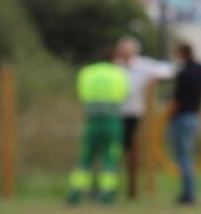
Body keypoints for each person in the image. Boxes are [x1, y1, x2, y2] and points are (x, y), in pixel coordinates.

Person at [67, 48, 129, 205]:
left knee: (85, 159)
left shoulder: (87, 72)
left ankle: (75, 194)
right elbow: (125, 94)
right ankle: (106, 195)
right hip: (111, 121)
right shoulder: (118, 73)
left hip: (92, 121)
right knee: (110, 159)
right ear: (113, 59)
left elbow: (81, 93)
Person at [115, 36, 174, 198]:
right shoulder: (115, 67)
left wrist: (156, 79)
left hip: (134, 113)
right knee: (116, 149)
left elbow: (167, 69)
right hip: (116, 113)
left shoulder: (142, 65)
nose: (125, 53)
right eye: (123, 50)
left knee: (130, 148)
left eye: (129, 50)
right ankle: (114, 185)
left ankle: (132, 186)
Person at [169, 42, 201, 205]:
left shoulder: (183, 73)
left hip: (181, 116)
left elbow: (176, 98)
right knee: (188, 155)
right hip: (195, 116)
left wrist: (168, 115)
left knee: (183, 156)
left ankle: (189, 194)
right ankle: (188, 192)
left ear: (182, 54)